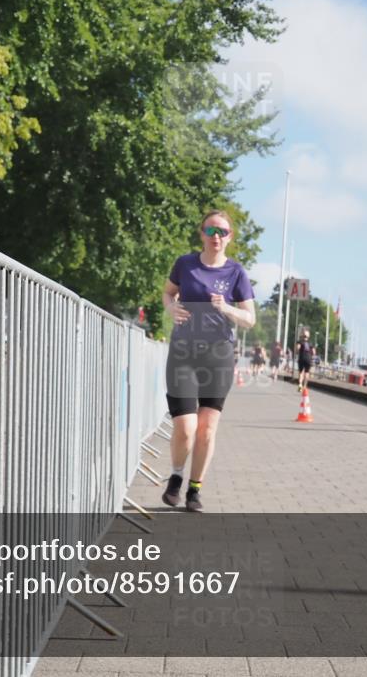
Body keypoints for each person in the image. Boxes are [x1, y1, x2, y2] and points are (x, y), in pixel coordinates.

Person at [162, 210, 256, 512]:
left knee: (206, 429)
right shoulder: (185, 264)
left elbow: (250, 319)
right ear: (202, 233)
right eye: (211, 230)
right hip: (183, 353)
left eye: (222, 232)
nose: (216, 236)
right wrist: (170, 308)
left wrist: (227, 308)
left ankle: (194, 490)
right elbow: (168, 293)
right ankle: (176, 475)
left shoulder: (236, 272)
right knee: (186, 427)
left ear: (230, 237)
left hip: (218, 356)